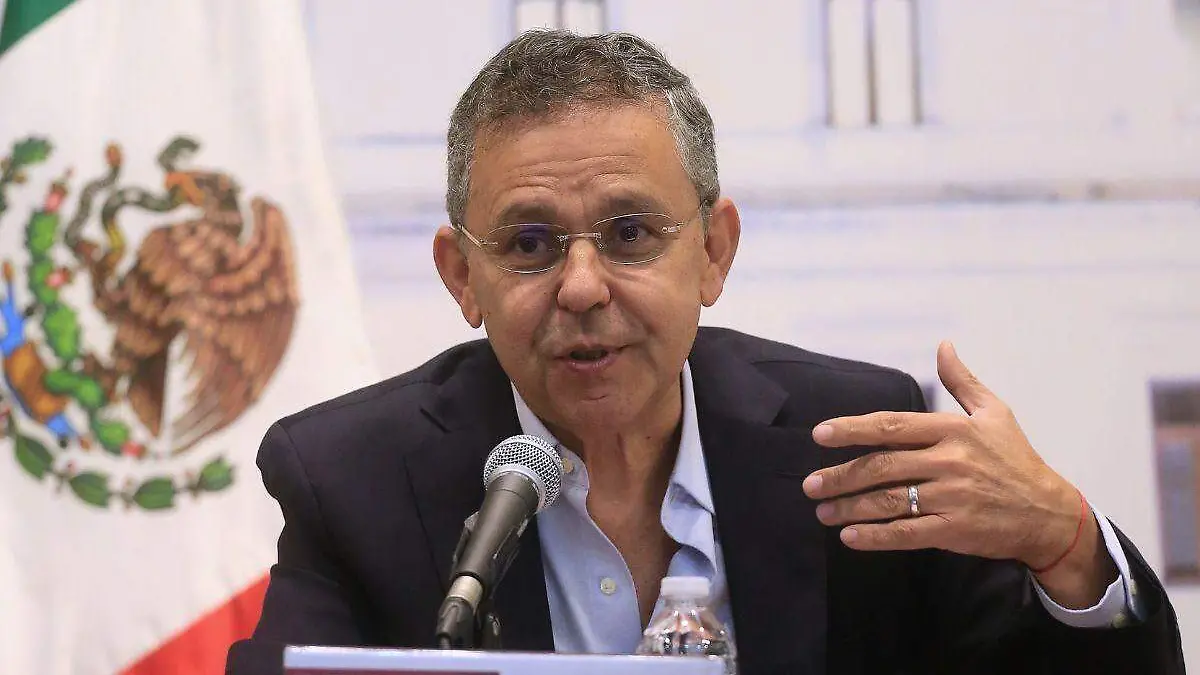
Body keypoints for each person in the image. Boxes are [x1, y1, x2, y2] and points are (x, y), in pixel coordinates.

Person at [226, 30, 1184, 675]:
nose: (582, 286)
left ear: (714, 250)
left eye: (630, 233)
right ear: (461, 276)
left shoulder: (855, 442)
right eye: (528, 244)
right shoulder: (353, 478)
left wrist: (1064, 541)